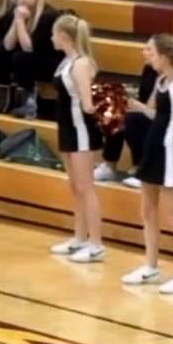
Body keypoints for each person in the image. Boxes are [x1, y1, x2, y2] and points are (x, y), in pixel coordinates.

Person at [122, 35, 173, 294]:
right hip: (152, 148)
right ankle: (151, 266)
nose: (149, 57)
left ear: (165, 57)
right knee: (147, 210)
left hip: (168, 152)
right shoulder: (161, 81)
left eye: (152, 53)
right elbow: (157, 114)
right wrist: (139, 108)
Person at [47, 15, 106, 263]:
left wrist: (107, 105)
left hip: (81, 128)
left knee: (86, 187)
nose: (51, 38)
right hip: (67, 127)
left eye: (53, 33)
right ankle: (80, 237)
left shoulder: (81, 64)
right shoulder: (66, 61)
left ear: (64, 36)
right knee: (75, 186)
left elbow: (88, 104)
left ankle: (96, 244)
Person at [0, 0, 62, 119]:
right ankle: (4, 101)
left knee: (21, 58)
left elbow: (29, 48)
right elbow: (8, 45)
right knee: (2, 54)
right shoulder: (16, 13)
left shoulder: (48, 16)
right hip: (32, 60)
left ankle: (30, 102)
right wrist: (16, 21)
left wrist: (20, 22)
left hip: (53, 62)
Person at [94, 46, 157, 188]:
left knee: (132, 119)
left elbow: (157, 107)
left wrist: (140, 108)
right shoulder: (148, 69)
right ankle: (109, 166)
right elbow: (143, 96)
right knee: (115, 113)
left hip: (161, 117)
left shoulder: (169, 77)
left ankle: (140, 168)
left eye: (149, 49)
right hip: (146, 111)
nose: (144, 51)